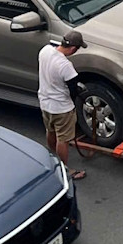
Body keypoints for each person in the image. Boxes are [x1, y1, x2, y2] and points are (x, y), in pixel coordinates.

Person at [38, 30, 87, 178]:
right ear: (73, 49)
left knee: (50, 130)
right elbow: (73, 90)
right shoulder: (65, 66)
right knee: (63, 139)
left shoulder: (45, 51)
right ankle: (65, 170)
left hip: (45, 102)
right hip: (61, 108)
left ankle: (53, 158)